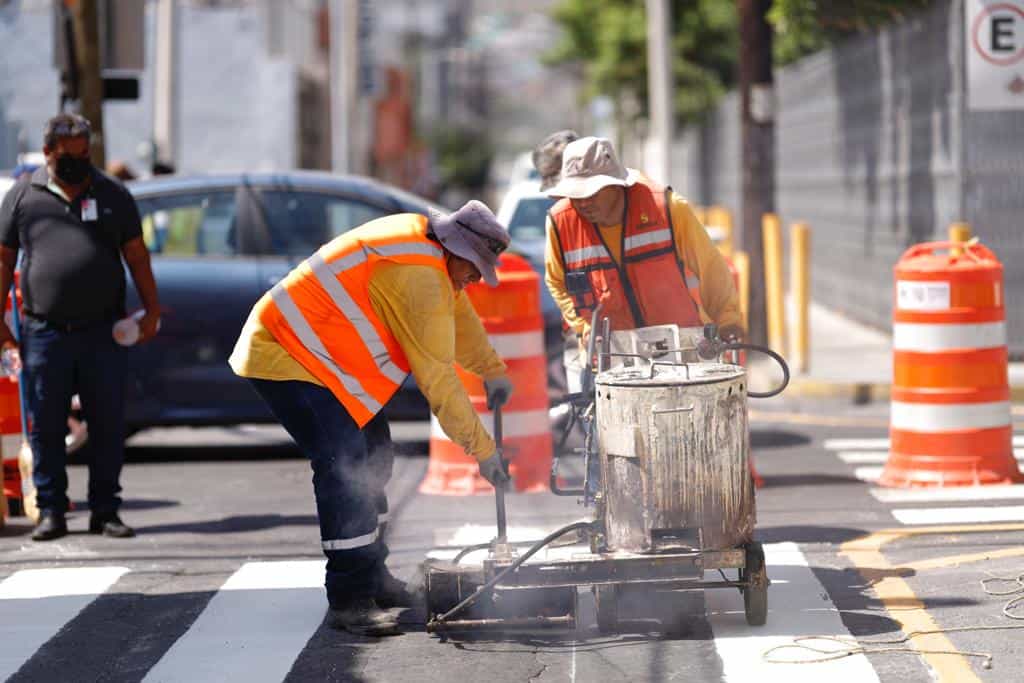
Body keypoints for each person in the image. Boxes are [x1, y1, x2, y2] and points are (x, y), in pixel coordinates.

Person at [228, 200, 515, 636]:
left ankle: (372, 575)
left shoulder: (431, 252)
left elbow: (457, 314)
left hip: (325, 364)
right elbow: (437, 378)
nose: (475, 280)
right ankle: (350, 598)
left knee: (375, 455)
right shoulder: (420, 277)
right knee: (346, 469)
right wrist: (484, 451)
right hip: (287, 354)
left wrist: (490, 369)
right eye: (475, 269)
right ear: (456, 249)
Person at [0, 113, 161, 541]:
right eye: (68, 156)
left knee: (106, 424)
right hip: (43, 332)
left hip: (103, 331)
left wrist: (152, 309)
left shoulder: (112, 194)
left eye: (84, 155)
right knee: (45, 424)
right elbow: (3, 260)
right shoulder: (23, 197)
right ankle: (52, 510)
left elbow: (137, 255)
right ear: (49, 151)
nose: (77, 163)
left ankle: (105, 510)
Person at [544, 136, 743, 390]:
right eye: (575, 194)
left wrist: (727, 320)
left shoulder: (667, 209)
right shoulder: (560, 224)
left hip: (682, 348)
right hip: (612, 355)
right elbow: (556, 281)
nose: (583, 203)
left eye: (591, 193)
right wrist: (582, 327)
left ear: (616, 186)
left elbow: (711, 267)